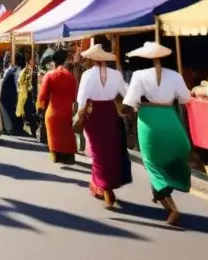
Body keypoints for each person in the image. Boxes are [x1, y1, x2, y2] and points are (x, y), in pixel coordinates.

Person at [122, 41, 192, 226]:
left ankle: (171, 208)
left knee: (152, 164)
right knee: (167, 160)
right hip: (170, 119)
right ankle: (158, 194)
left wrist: (125, 113)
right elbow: (185, 97)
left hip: (148, 120)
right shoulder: (175, 75)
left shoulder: (138, 75)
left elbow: (129, 102)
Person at [75, 41, 131, 209]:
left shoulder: (87, 75)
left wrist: (79, 115)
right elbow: (126, 93)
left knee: (98, 151)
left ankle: (106, 189)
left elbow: (81, 99)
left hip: (93, 113)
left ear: (91, 60)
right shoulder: (116, 74)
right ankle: (99, 185)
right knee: (108, 150)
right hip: (110, 112)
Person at [37, 48, 78, 164]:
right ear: (65, 61)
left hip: (53, 111)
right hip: (66, 112)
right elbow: (74, 96)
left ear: (54, 62)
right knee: (67, 133)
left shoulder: (49, 75)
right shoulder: (71, 76)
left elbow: (42, 95)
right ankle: (69, 155)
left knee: (53, 134)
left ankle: (55, 154)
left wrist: (40, 107)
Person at [0, 53, 23, 134]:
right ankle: (12, 128)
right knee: (11, 111)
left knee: (7, 111)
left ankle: (7, 127)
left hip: (6, 93)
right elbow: (17, 85)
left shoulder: (9, 70)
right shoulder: (17, 71)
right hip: (10, 94)